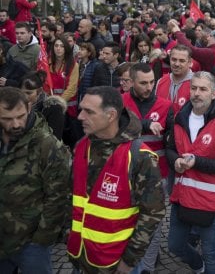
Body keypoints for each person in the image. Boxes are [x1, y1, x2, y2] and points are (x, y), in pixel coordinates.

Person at [67, 86, 165, 273]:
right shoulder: (81, 146)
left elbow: (153, 213)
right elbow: (70, 195)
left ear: (111, 116)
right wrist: (67, 234)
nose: (80, 116)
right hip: (80, 255)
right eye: (81, 109)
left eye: (88, 111)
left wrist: (129, 261)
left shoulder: (140, 156)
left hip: (117, 262)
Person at [166, 71, 215, 274]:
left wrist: (196, 162)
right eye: (194, 88)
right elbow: (170, 148)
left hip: (208, 200)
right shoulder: (180, 117)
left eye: (203, 89)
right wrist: (176, 161)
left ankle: (206, 267)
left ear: (214, 94)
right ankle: (198, 266)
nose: (197, 93)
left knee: (211, 251)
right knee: (175, 245)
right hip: (181, 195)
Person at [0, 87, 71, 273]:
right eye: (7, 118)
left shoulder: (47, 145)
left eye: (20, 116)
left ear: (29, 108)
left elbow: (59, 196)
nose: (15, 124)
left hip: (31, 243)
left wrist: (42, 238)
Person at [122, 63, 174, 273]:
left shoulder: (166, 106)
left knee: (153, 223)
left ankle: (148, 267)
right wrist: (144, 124)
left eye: (152, 82)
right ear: (131, 82)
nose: (149, 86)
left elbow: (171, 140)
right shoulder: (120, 102)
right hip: (124, 174)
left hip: (157, 175)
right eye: (143, 83)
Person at [48, 36, 80, 146]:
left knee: (68, 139)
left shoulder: (73, 65)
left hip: (68, 109)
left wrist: (58, 102)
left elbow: (72, 88)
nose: (58, 48)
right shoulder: (47, 63)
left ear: (66, 48)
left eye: (62, 46)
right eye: (56, 46)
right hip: (50, 107)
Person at [20, 71, 66, 140]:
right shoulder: (17, 108)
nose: (25, 97)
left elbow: (55, 139)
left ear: (40, 91)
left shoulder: (54, 109)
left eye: (29, 93)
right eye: (21, 93)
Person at [155, 44, 194, 113]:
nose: (177, 64)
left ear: (190, 62)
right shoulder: (160, 82)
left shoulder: (196, 84)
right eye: (174, 59)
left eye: (182, 61)